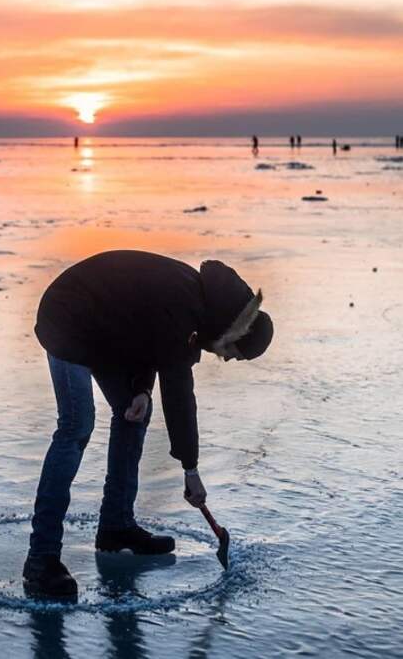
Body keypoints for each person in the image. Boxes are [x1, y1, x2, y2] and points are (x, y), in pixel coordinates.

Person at [23, 250, 274, 598]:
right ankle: (41, 559)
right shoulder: (185, 306)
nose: (228, 358)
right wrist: (190, 468)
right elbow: (178, 390)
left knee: (133, 411)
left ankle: (116, 526)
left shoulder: (197, 308)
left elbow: (142, 335)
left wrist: (139, 388)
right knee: (77, 425)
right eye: (235, 353)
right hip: (68, 317)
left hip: (103, 329)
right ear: (235, 332)